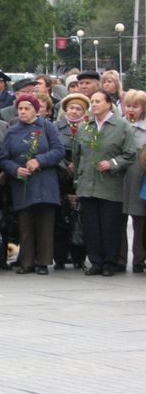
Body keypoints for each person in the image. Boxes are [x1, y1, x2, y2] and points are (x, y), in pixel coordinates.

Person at [0, 94, 65, 274]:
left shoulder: (47, 127)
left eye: (27, 108)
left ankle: (43, 262)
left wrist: (40, 160)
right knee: (25, 223)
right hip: (23, 183)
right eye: (20, 108)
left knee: (45, 223)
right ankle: (26, 262)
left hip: (45, 182)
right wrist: (15, 169)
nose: (22, 111)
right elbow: (4, 158)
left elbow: (59, 151)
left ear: (36, 110)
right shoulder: (12, 130)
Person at [74, 90, 135, 276]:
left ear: (108, 104)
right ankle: (96, 262)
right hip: (88, 184)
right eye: (92, 101)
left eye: (98, 101)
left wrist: (112, 163)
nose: (94, 105)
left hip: (111, 185)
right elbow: (77, 155)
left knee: (110, 226)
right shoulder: (86, 125)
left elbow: (130, 154)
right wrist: (78, 177)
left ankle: (110, 262)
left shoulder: (121, 125)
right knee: (91, 226)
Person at [53, 93, 90, 270]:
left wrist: (79, 164)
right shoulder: (56, 127)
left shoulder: (89, 128)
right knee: (61, 217)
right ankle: (59, 256)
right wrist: (65, 165)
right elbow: (53, 148)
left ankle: (79, 256)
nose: (74, 112)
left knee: (80, 216)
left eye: (79, 109)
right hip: (61, 176)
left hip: (81, 176)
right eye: (71, 108)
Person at [120, 90, 146, 272]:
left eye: (135, 106)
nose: (131, 109)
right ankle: (120, 258)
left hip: (140, 180)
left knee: (140, 221)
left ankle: (139, 258)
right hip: (120, 179)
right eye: (128, 105)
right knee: (119, 221)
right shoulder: (119, 125)